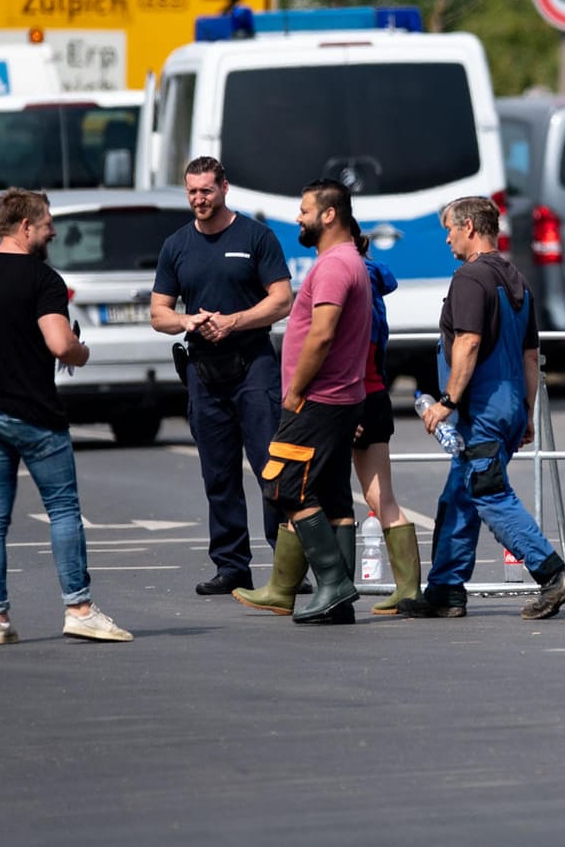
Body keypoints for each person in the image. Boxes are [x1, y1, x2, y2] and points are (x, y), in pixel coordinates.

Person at [0, 188, 132, 645]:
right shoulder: (43, 279)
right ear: (26, 227)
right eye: (47, 223)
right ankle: (79, 608)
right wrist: (81, 351)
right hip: (36, 415)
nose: (53, 230)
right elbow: (60, 344)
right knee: (63, 509)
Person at [402, 196, 565, 620]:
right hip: (509, 405)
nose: (446, 238)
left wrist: (447, 400)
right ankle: (446, 590)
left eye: (449, 229)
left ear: (469, 227)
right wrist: (527, 413)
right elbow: (530, 355)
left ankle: (553, 574)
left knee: (489, 493)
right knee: (459, 495)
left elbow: (468, 342)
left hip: (481, 408)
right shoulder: (515, 278)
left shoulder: (470, 278)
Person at [151, 156, 294, 596]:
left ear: (224, 188)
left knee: (273, 469)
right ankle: (232, 567)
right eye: (192, 191)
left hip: (254, 364)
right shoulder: (177, 245)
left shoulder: (255, 237)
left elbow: (283, 300)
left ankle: (289, 566)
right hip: (203, 370)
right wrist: (188, 321)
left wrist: (234, 321)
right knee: (219, 473)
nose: (199, 199)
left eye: (207, 190)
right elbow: (159, 313)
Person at [258, 179, 371, 625]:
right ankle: (338, 600)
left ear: (328, 214)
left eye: (305, 210)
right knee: (333, 497)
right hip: (340, 399)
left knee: (286, 487)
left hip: (319, 399)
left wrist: (297, 390)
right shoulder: (349, 261)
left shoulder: (333, 267)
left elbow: (322, 334)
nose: (298, 218)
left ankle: (333, 582)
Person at [346, 238, 424, 615]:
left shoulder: (351, 279)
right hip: (375, 395)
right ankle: (408, 590)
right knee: (382, 498)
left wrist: (351, 409)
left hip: (353, 397)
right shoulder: (372, 278)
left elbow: (353, 350)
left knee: (314, 495)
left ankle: (329, 589)